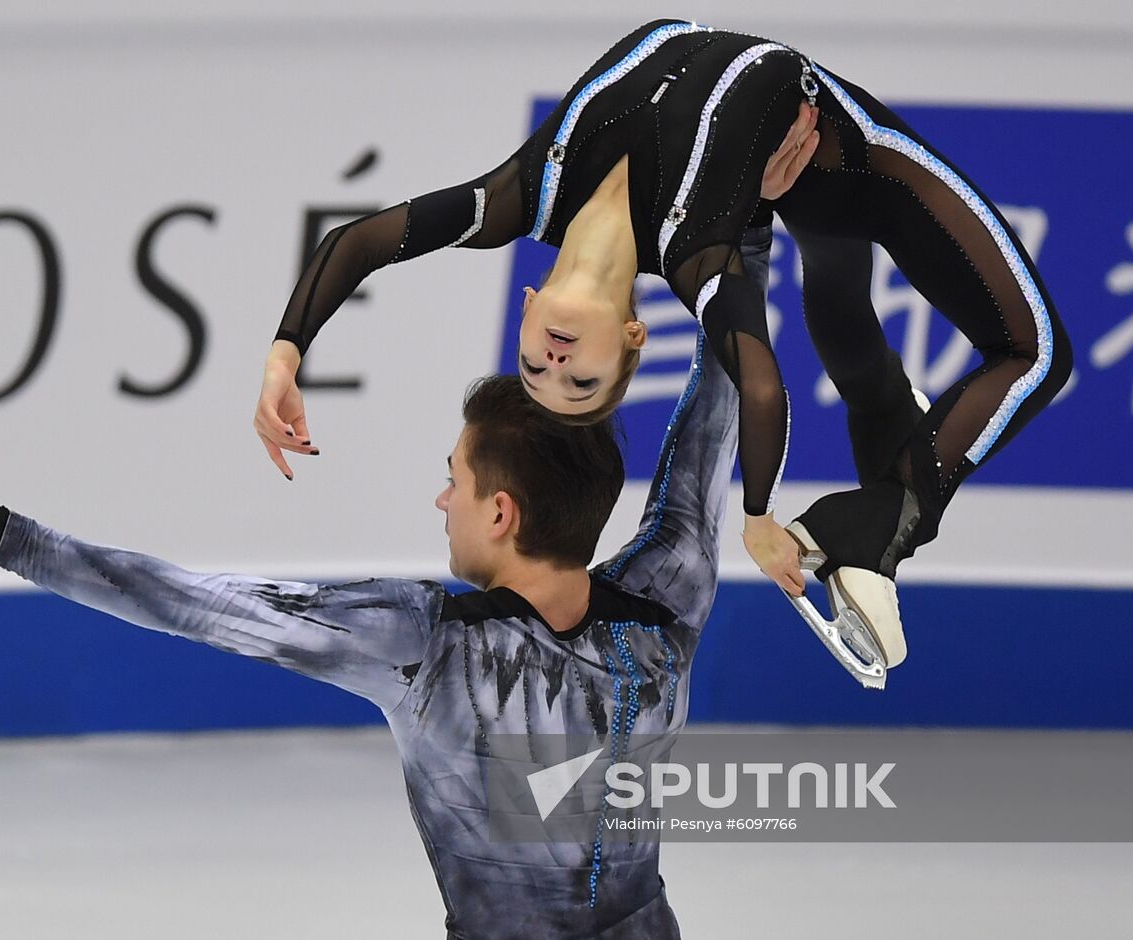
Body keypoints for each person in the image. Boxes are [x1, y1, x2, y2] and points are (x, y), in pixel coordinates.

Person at [0, 231, 764, 936]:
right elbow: (718, 404)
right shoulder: (664, 602)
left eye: (456, 478)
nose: (441, 499)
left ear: (502, 514)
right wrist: (735, 225)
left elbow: (194, 602)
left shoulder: (426, 646)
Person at [254, 18, 1072, 675]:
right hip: (850, 160)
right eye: (580, 381)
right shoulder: (693, 258)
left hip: (788, 168)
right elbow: (759, 389)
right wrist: (755, 518)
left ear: (528, 309)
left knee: (852, 329)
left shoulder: (518, 198)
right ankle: (882, 523)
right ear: (632, 337)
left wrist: (287, 353)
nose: (556, 362)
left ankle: (882, 506)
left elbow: (362, 240)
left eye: (538, 366)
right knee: (1035, 350)